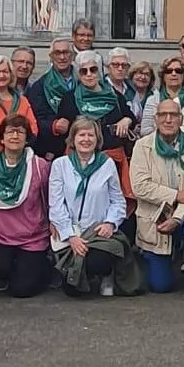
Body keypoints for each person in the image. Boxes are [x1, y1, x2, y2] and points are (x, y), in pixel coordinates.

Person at [130, 99, 184, 301]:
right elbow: (140, 187)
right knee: (161, 286)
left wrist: (177, 218)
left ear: (181, 119)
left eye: (173, 115)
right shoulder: (142, 146)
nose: (168, 119)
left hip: (183, 213)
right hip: (155, 219)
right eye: (163, 115)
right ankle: (153, 256)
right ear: (155, 119)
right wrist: (175, 195)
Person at [50, 117, 137, 297]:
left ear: (97, 140)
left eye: (91, 135)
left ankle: (107, 274)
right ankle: (83, 276)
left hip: (98, 231)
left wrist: (110, 223)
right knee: (72, 291)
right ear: (73, 139)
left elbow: (118, 201)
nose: (86, 139)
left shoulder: (107, 164)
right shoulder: (60, 165)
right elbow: (56, 204)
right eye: (81, 135)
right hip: (71, 232)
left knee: (99, 261)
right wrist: (71, 236)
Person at [0, 114, 53, 297]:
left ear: (27, 138)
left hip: (32, 237)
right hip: (0, 236)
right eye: (10, 132)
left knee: (22, 291)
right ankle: (15, 266)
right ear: (2, 137)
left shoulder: (40, 166)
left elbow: (49, 200)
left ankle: (41, 268)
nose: (15, 136)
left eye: (20, 132)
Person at [57, 50, 138, 199]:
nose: (89, 74)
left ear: (99, 71)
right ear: (78, 74)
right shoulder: (70, 98)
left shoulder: (114, 95)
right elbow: (64, 131)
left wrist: (127, 120)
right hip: (80, 163)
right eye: (83, 71)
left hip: (112, 163)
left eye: (93, 70)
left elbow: (131, 118)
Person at [29, 38, 77, 159]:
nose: (62, 57)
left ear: (73, 56)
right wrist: (53, 125)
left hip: (82, 142)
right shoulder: (40, 86)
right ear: (51, 57)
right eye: (57, 53)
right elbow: (35, 119)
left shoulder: (84, 81)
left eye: (66, 52)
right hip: (53, 149)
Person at [140, 56, 184, 136]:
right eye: (169, 71)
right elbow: (145, 130)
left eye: (178, 71)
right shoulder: (153, 99)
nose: (174, 74)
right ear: (163, 75)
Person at [106, 48, 139, 116]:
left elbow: (138, 115)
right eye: (115, 65)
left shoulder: (132, 89)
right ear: (108, 67)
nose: (120, 69)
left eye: (124, 65)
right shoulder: (101, 87)